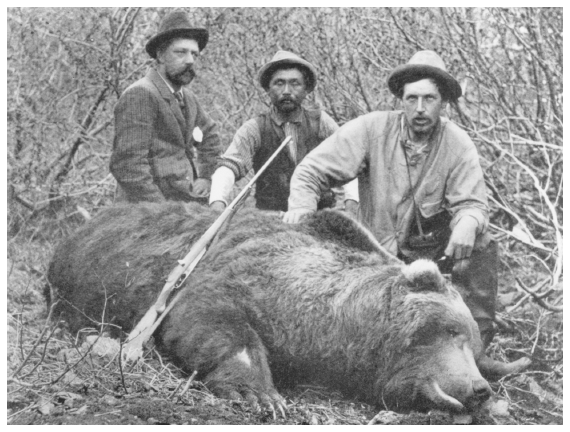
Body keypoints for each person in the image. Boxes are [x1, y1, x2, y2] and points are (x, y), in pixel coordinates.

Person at [283, 50, 498, 353]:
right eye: (412, 99)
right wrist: (301, 211)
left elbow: (473, 203)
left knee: (481, 242)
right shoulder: (372, 129)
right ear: (401, 99)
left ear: (444, 102)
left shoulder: (458, 142)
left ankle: (477, 352)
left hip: (429, 251)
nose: (420, 109)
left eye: (429, 99)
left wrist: (468, 222)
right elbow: (309, 171)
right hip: (374, 252)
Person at [209, 50, 358, 213]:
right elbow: (229, 166)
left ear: (306, 89)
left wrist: (352, 201)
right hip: (270, 219)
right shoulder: (255, 128)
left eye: (295, 83)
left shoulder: (321, 122)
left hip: (318, 215)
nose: (287, 90)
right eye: (279, 83)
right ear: (268, 89)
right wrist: (217, 202)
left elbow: (347, 160)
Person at [110, 11, 222, 203]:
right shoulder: (141, 95)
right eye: (181, 52)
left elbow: (210, 137)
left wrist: (205, 177)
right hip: (146, 210)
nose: (190, 60)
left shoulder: (188, 98)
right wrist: (163, 212)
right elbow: (128, 166)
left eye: (194, 54)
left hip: (184, 202)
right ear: (160, 54)